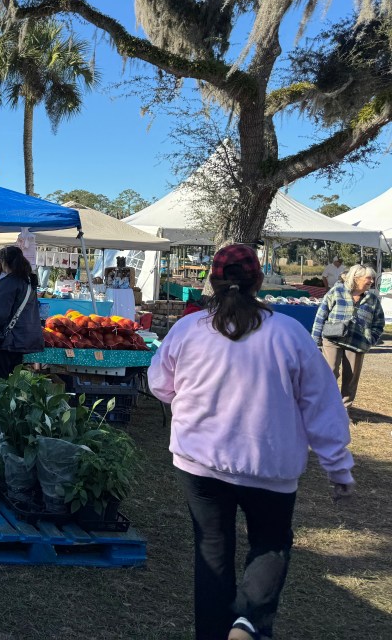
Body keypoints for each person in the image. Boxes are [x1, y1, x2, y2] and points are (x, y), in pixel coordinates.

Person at [149, 244, 354, 640]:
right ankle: (248, 621)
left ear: (212, 280)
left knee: (212, 549)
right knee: (270, 543)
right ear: (258, 281)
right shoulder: (289, 334)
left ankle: (215, 632)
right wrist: (338, 468)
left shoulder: (189, 330)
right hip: (269, 466)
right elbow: (322, 405)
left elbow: (160, 384)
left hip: (200, 461)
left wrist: (193, 402)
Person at [312, 264, 385, 408]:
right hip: (333, 339)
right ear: (356, 278)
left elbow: (379, 323)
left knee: (351, 377)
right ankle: (326, 406)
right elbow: (321, 315)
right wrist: (315, 340)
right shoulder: (337, 291)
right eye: (368, 278)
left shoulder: (372, 299)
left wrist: (370, 339)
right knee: (330, 371)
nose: (371, 281)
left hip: (357, 342)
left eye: (372, 278)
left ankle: (345, 409)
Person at [0, 245, 42, 379]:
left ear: (3, 262)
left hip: (5, 342)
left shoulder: (9, 283)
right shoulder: (27, 282)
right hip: (21, 340)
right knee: (13, 383)